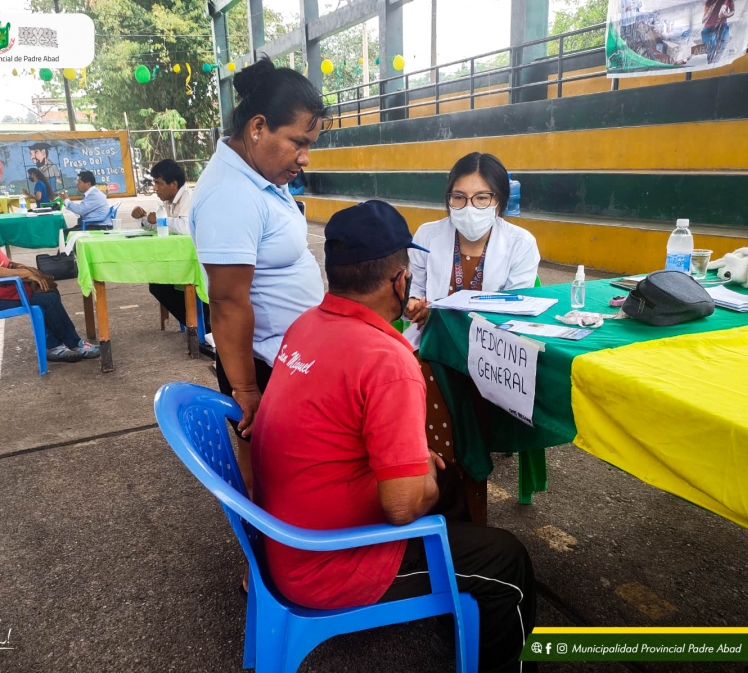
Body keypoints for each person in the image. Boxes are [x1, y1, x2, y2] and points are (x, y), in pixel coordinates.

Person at [251, 200, 537, 673]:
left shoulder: (304, 325)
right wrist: (419, 466)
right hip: (328, 564)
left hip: (284, 534)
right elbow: (401, 507)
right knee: (507, 560)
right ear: (400, 282)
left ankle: (459, 609)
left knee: (448, 484)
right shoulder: (388, 358)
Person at [190, 56, 326, 489]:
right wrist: (247, 391)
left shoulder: (261, 175)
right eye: (298, 143)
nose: (304, 158)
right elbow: (228, 302)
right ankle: (272, 548)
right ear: (257, 127)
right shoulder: (231, 194)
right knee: (276, 482)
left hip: (287, 356)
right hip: (264, 365)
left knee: (291, 473)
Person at [0, 183, 100, 363]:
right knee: (47, 297)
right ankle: (73, 344)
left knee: (46, 287)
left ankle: (54, 345)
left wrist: (24, 269)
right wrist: (24, 275)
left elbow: (1, 260)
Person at [405, 152, 540, 328]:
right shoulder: (427, 235)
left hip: (492, 345)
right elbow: (414, 289)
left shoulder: (521, 244)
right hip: (433, 340)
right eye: (459, 197)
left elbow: (515, 309)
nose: (469, 208)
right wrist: (413, 303)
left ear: (500, 200)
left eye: (482, 198)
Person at [130, 159, 203, 328]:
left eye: (158, 183)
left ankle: (199, 321)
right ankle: (191, 320)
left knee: (161, 285)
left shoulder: (189, 198)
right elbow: (160, 226)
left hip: (197, 260)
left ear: (174, 184)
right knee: (156, 283)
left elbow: (186, 228)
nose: (155, 188)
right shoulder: (168, 200)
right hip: (179, 256)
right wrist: (142, 218)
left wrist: (162, 218)